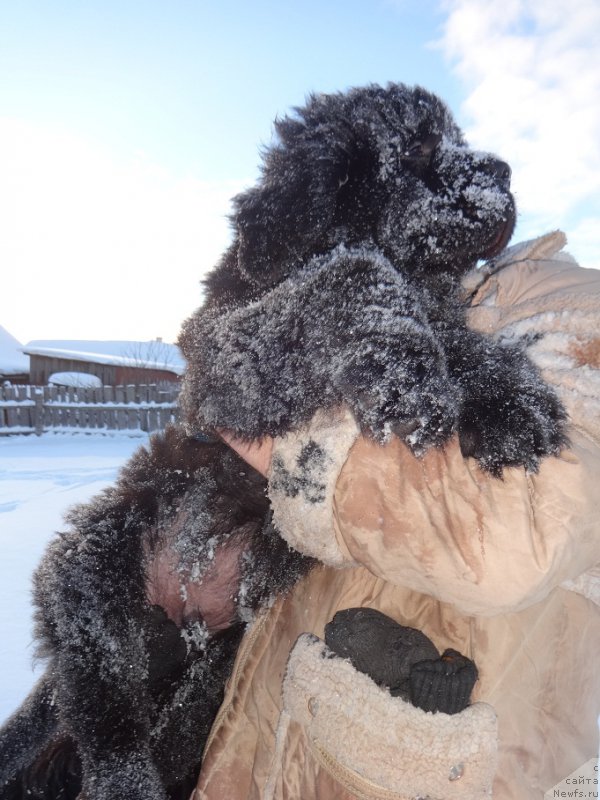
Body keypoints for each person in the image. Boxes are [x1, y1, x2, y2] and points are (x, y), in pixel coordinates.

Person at [195, 231, 600, 800]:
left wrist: (295, 448)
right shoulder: (442, 286)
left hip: (471, 765)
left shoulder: (578, 303)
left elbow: (513, 540)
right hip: (295, 741)